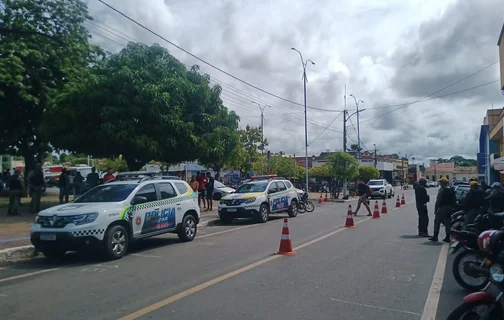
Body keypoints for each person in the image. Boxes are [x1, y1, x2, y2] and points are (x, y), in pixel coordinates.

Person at [429, 177, 456, 242]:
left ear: (443, 183)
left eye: (440, 182)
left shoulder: (442, 190)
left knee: (437, 221)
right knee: (447, 222)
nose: (439, 183)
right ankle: (447, 237)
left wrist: (435, 209)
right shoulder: (451, 189)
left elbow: (438, 200)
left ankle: (435, 236)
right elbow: (454, 199)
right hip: (450, 207)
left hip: (443, 207)